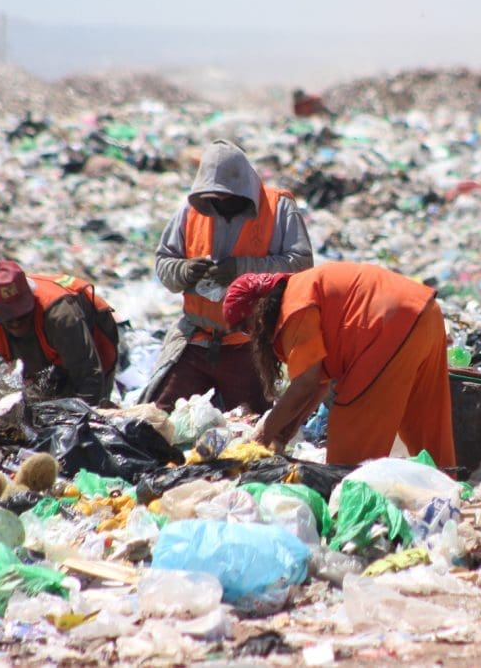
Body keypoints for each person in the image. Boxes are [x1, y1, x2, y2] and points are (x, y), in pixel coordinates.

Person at [222, 262, 456, 467]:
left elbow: (305, 384)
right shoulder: (302, 289)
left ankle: (349, 504)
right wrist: (286, 432)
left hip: (389, 326)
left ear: (257, 312)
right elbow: (319, 383)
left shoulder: (294, 308)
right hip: (426, 313)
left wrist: (262, 435)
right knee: (425, 420)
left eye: (246, 328)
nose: (251, 337)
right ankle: (447, 490)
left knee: (350, 448)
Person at [143, 139, 313, 412]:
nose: (220, 202)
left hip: (249, 344)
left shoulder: (278, 208)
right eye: (214, 197)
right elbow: (164, 263)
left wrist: (240, 269)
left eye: (227, 196)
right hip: (195, 339)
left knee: (253, 430)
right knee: (155, 420)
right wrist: (185, 271)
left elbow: (301, 266)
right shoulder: (191, 210)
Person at [0, 260, 120, 405]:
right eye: (7, 316)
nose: (16, 321)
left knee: (85, 405)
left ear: (31, 299)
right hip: (44, 350)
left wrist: (84, 419)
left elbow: (89, 376)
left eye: (21, 313)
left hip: (90, 336)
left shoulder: (60, 315)